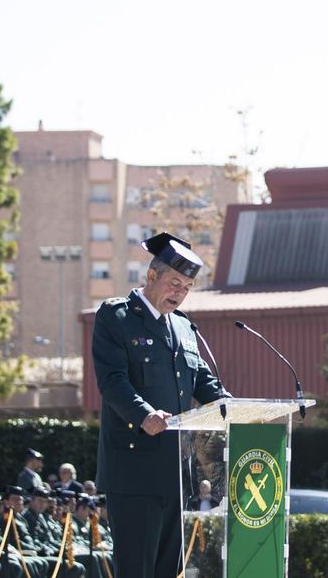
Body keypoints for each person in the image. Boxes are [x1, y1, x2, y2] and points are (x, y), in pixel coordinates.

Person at [92, 231, 230, 578]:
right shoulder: (117, 317)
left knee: (170, 570)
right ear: (151, 276)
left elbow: (202, 382)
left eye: (187, 288)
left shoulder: (183, 327)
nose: (179, 294)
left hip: (177, 473)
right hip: (135, 470)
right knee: (137, 570)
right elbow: (112, 381)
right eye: (174, 284)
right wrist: (144, 414)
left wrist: (235, 408)